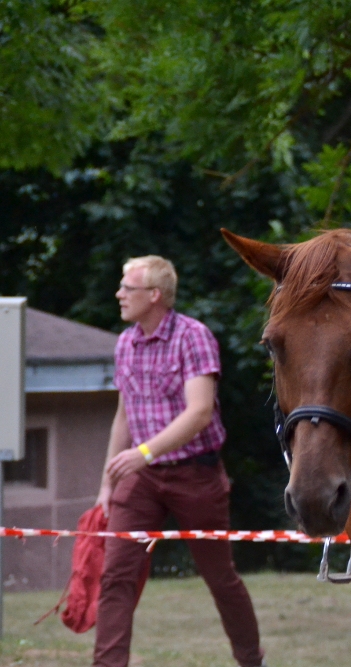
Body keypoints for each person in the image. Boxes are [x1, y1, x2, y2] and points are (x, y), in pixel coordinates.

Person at [93, 256, 266, 667]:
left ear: (154, 295)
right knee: (116, 575)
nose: (118, 294)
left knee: (220, 578)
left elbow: (199, 412)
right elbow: (124, 415)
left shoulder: (193, 336)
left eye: (127, 288)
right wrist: (107, 484)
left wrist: (145, 452)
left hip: (196, 474)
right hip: (141, 478)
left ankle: (250, 660)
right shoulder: (124, 342)